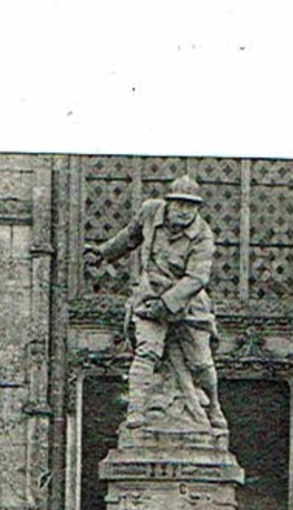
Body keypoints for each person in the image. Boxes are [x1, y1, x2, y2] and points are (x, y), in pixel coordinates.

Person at [84, 176, 226, 431]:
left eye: (191, 206)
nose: (185, 212)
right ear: (168, 203)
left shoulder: (203, 235)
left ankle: (214, 405)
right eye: (180, 204)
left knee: (202, 363)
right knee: (146, 352)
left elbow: (197, 278)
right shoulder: (150, 212)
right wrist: (104, 253)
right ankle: (136, 411)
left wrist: (167, 303)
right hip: (150, 296)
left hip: (188, 302)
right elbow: (130, 237)